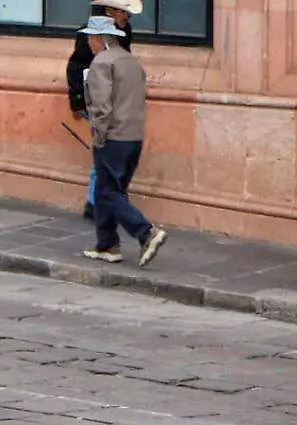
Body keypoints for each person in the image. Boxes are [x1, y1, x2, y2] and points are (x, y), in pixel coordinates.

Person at [80, 16, 169, 269]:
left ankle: (145, 232)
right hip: (134, 136)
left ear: (98, 39)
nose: (88, 42)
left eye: (89, 38)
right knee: (109, 191)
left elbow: (101, 106)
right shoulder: (132, 62)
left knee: (108, 191)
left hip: (113, 136)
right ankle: (106, 244)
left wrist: (98, 136)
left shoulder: (101, 63)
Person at [66, 0, 138, 220]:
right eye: (124, 13)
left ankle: (97, 202)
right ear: (111, 11)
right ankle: (100, 202)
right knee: (107, 154)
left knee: (109, 154)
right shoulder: (92, 34)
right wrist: (78, 101)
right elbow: (76, 66)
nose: (127, 17)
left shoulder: (124, 31)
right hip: (98, 103)